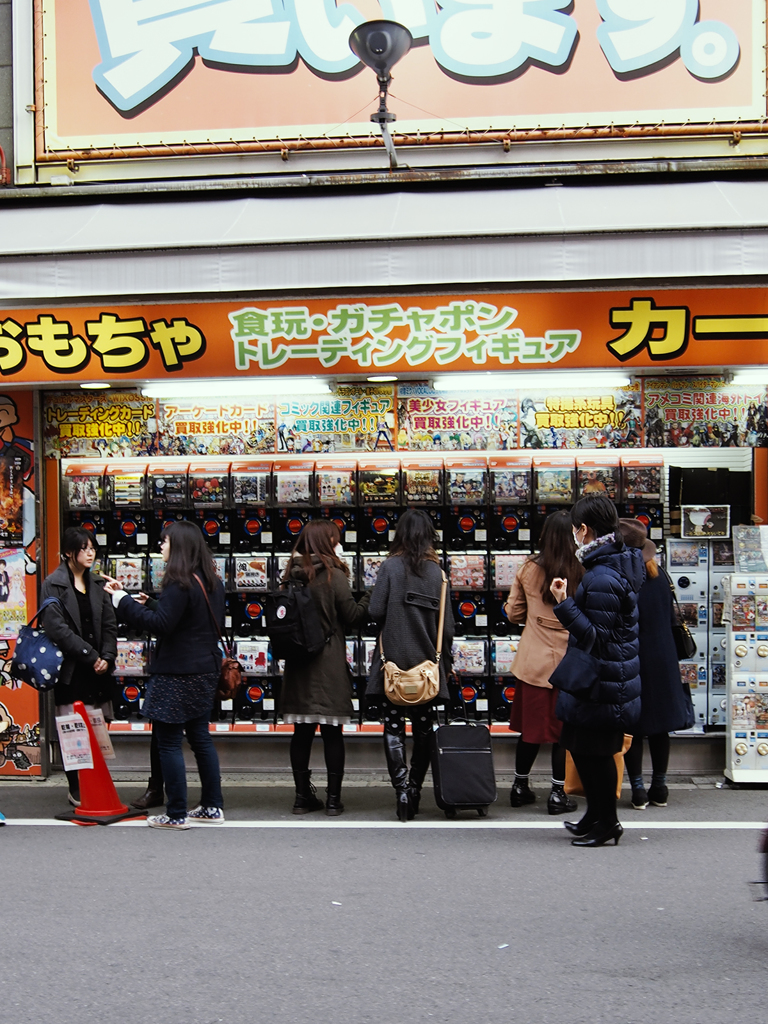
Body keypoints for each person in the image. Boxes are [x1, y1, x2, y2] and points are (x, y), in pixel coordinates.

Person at [104, 520, 225, 830]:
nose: (161, 545)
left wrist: (123, 601)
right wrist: (155, 604)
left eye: (165, 541)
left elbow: (161, 625)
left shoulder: (178, 581)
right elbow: (188, 617)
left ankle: (176, 813)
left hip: (177, 671)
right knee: (200, 739)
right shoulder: (210, 580)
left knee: (168, 743)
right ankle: (212, 806)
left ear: (179, 546)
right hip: (206, 668)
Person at [549, 494, 644, 848]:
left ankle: (608, 823)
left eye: (576, 529)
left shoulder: (604, 575)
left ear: (585, 530)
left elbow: (596, 637)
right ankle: (596, 816)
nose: (574, 535)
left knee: (597, 754)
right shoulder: (610, 566)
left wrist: (564, 604)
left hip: (603, 682)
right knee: (584, 749)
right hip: (600, 679)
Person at [367, 509, 454, 822]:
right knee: (423, 728)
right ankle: (415, 787)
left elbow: (375, 610)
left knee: (393, 726)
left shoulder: (390, 566)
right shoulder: (438, 573)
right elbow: (448, 629)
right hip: (426, 667)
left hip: (392, 663)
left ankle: (401, 790)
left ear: (400, 535)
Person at [281, 519, 370, 816]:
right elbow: (353, 616)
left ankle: (300, 797)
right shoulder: (334, 575)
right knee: (333, 733)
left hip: (297, 663)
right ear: (328, 543)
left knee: (301, 733)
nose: (339, 544)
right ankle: (333, 800)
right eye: (336, 539)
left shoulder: (289, 575)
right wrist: (369, 595)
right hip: (328, 662)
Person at [504, 510, 584, 814]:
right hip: (570, 662)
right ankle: (557, 792)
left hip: (533, 661)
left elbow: (513, 614)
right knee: (564, 732)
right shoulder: (584, 568)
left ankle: (520, 786)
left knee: (531, 729)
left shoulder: (529, 568)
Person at [618, 518, 694, 809]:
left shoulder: (622, 579)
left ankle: (637, 790)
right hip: (663, 656)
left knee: (634, 725)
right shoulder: (660, 575)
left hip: (633, 655)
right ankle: (659, 787)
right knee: (661, 726)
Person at [40, 527, 117, 807]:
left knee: (98, 726)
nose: (90, 553)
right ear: (68, 553)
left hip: (99, 669)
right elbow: (56, 628)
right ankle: (76, 786)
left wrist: (107, 657)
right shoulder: (54, 583)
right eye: (84, 548)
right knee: (72, 728)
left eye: (92, 548)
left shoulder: (97, 583)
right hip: (72, 669)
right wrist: (90, 655)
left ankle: (97, 780)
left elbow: (109, 624)